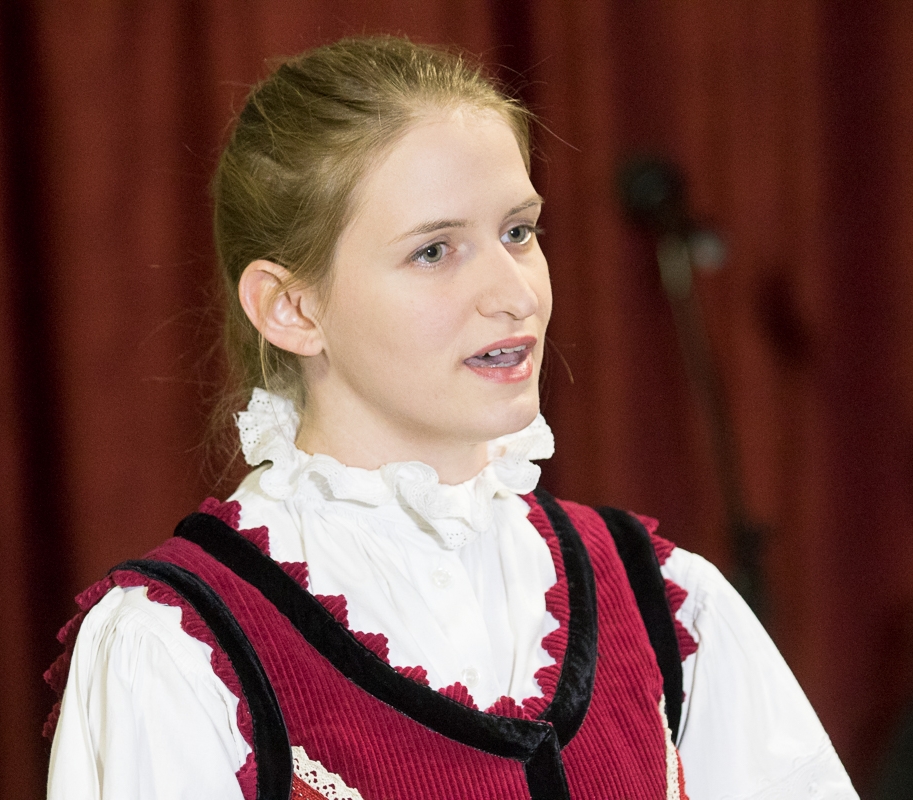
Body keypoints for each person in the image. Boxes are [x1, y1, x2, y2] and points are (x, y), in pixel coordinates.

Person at [44, 36, 858, 800]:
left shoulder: (668, 604)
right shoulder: (175, 649)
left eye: (519, 232)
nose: (515, 293)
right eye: (434, 250)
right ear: (291, 308)